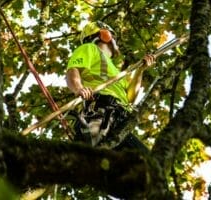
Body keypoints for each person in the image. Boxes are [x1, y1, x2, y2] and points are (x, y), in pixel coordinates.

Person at [66, 21, 154, 150]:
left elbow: (130, 99)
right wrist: (79, 88)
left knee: (145, 162)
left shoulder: (116, 72)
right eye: (113, 37)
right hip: (101, 111)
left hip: (120, 119)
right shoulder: (89, 48)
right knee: (89, 156)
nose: (115, 42)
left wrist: (140, 71)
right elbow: (73, 70)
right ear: (104, 34)